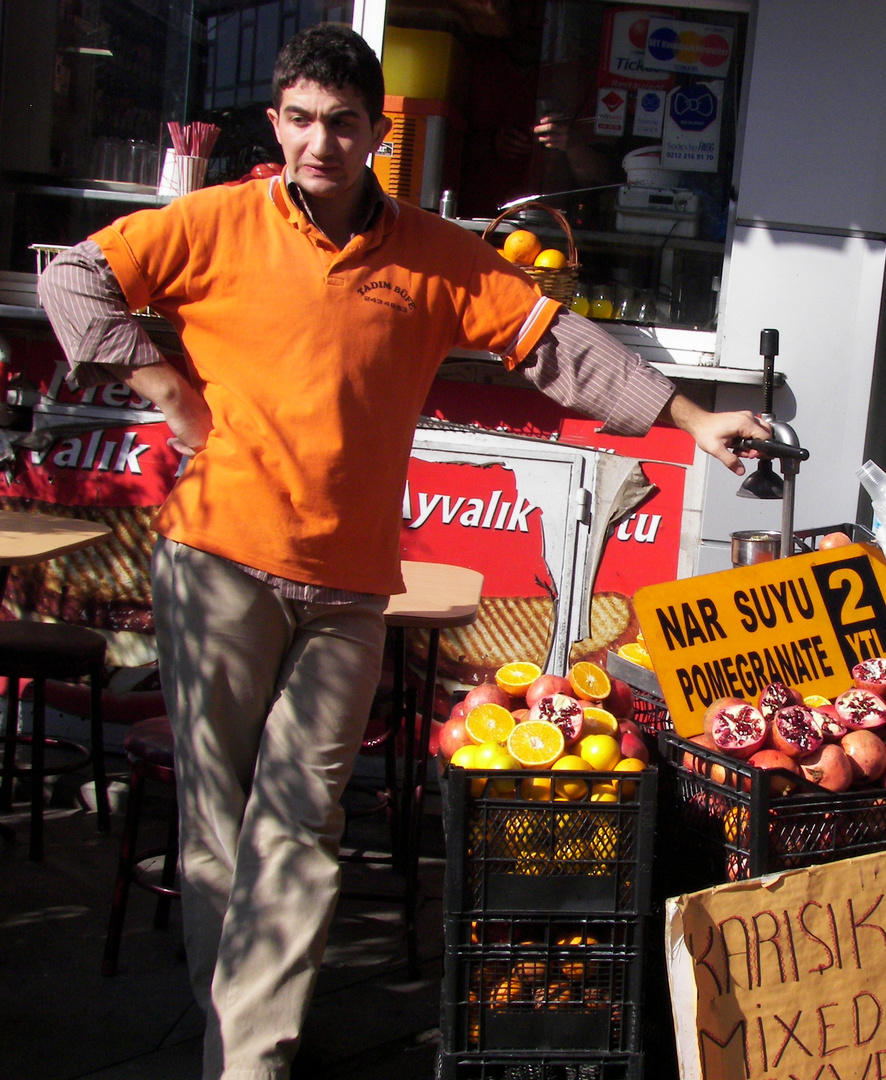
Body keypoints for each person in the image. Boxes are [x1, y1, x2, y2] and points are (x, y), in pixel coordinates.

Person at [37, 24, 768, 1080]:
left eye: (341, 123)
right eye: (298, 119)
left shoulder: (431, 253)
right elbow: (73, 281)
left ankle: (252, 1058)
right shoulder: (212, 223)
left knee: (299, 824)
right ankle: (238, 1038)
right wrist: (161, 385)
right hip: (216, 564)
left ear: (376, 132)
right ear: (275, 123)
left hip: (343, 590)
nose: (317, 143)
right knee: (217, 820)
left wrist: (694, 419)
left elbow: (554, 344)